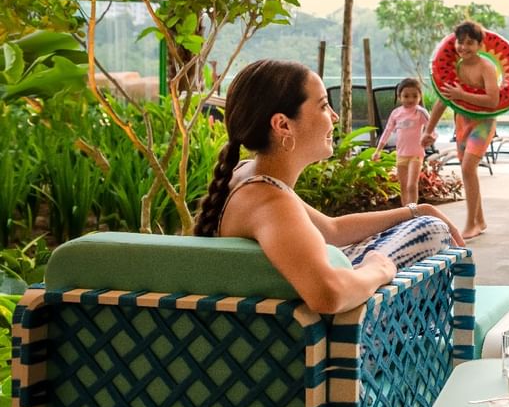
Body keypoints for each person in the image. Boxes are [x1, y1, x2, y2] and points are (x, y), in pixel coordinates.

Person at [194, 59, 465, 315]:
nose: (334, 116)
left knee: (422, 222)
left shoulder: (249, 177)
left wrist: (415, 210)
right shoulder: (269, 202)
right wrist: (378, 270)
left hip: (288, 330)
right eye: (323, 106)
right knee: (431, 232)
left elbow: (331, 230)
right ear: (283, 125)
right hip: (325, 345)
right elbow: (329, 293)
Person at [421, 21, 499, 240]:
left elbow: (493, 100)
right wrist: (429, 131)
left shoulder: (486, 67)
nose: (464, 47)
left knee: (467, 168)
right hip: (462, 123)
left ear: (480, 45)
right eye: (460, 42)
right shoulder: (456, 67)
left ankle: (471, 223)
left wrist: (462, 95)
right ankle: (480, 220)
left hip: (483, 124)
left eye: (470, 43)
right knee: (469, 172)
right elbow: (442, 101)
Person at [373, 78, 430, 206]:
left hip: (416, 154)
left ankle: (413, 210)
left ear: (420, 96)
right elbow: (387, 131)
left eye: (415, 96)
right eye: (406, 96)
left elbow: (431, 129)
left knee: (411, 185)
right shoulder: (396, 113)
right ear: (399, 97)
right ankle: (406, 211)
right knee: (403, 186)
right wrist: (378, 150)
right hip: (401, 155)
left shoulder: (421, 112)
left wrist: (430, 137)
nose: (410, 99)